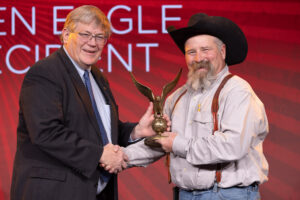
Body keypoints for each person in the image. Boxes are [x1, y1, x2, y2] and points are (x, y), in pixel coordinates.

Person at [10, 5, 159, 200]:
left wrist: (136, 131)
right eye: (85, 34)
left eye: (100, 37)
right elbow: (46, 132)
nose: (92, 43)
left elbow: (100, 130)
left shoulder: (97, 77)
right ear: (65, 35)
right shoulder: (46, 72)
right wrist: (99, 155)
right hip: (53, 193)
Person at [124, 13, 269, 200]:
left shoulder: (237, 91)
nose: (198, 57)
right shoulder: (176, 98)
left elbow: (232, 146)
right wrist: (120, 156)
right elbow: (160, 142)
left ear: (222, 52)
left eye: (206, 49)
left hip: (228, 195)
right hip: (185, 195)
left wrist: (176, 143)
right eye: (191, 52)